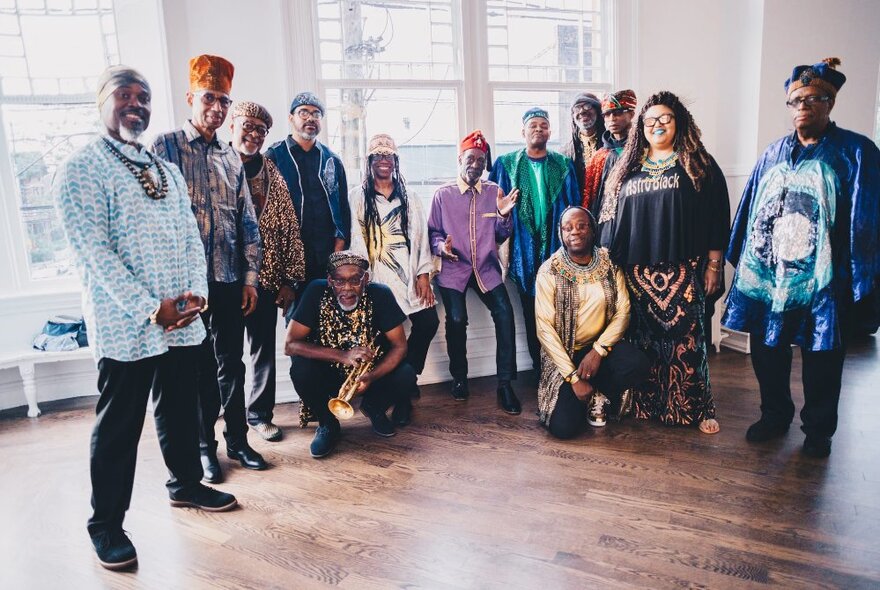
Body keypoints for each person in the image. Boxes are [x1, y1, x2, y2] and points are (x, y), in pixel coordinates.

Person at [55, 66, 237, 571]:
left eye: (144, 96)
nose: (136, 103)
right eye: (124, 95)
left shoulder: (164, 169)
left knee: (181, 410)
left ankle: (184, 484)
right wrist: (148, 308)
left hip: (182, 319)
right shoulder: (82, 168)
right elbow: (93, 252)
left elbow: (189, 237)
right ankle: (106, 525)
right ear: (102, 102)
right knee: (120, 425)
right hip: (127, 324)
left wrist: (196, 296)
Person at [723, 58, 880, 458]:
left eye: (813, 99)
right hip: (769, 274)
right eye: (795, 101)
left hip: (825, 279)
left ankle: (818, 430)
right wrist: (743, 262)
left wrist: (861, 278)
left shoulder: (856, 151)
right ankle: (775, 415)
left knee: (822, 355)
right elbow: (749, 209)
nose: (803, 107)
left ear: (830, 103)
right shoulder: (773, 151)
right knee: (766, 348)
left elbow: (867, 219)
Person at [153, 55, 265, 482]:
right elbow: (154, 216)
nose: (216, 108)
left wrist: (250, 278)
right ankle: (205, 449)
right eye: (209, 98)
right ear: (190, 98)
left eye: (223, 100)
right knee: (198, 370)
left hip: (228, 278)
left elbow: (247, 221)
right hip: (186, 284)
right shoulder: (164, 148)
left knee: (230, 363)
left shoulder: (230, 155)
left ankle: (239, 440)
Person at [600, 91, 730, 435]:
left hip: (683, 269)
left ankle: (696, 407)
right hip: (636, 272)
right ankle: (647, 404)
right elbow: (610, 220)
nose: (657, 125)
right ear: (640, 127)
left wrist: (714, 264)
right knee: (644, 342)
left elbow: (718, 215)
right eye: (650, 120)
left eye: (665, 119)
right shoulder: (625, 168)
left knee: (687, 342)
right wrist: (608, 269)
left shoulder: (697, 162)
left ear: (679, 123)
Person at [285, 251, 417, 458]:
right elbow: (290, 345)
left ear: (366, 279)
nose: (347, 288)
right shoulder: (315, 291)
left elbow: (400, 346)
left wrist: (371, 377)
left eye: (355, 280)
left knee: (407, 373)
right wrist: (342, 355)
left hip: (369, 375)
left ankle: (374, 407)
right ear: (330, 281)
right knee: (301, 370)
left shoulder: (380, 294)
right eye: (339, 281)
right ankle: (328, 424)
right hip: (329, 373)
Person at [428, 130, 521, 414]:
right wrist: (442, 247)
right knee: (456, 319)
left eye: (481, 161)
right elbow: (432, 234)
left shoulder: (494, 192)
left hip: (486, 269)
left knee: (505, 314)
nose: (476, 165)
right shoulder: (442, 195)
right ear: (460, 159)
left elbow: (503, 235)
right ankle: (459, 377)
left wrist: (504, 216)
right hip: (453, 270)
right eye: (471, 159)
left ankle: (505, 384)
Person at [536, 207, 650, 438]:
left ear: (592, 229)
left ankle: (599, 393)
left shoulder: (609, 264)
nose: (574, 232)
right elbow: (544, 328)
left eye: (581, 225)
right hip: (566, 355)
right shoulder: (549, 271)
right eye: (567, 228)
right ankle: (583, 394)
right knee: (563, 429)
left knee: (638, 363)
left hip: (601, 348)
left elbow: (623, 311)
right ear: (561, 234)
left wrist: (598, 351)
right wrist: (573, 378)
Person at [229, 101, 306, 442]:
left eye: (261, 130)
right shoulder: (217, 165)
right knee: (227, 355)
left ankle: (260, 415)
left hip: (264, 279)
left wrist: (290, 279)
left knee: (262, 350)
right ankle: (231, 420)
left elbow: (289, 225)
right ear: (233, 124)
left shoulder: (272, 172)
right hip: (225, 279)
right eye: (248, 126)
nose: (255, 134)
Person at [489, 108, 581, 374]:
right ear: (523, 132)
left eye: (543, 125)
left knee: (562, 312)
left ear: (550, 131)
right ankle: (540, 369)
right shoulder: (506, 164)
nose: (538, 129)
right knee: (532, 313)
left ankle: (562, 369)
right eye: (533, 125)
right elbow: (491, 208)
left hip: (557, 250)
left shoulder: (563, 165)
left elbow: (574, 207)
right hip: (523, 252)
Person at [349, 133, 439, 379]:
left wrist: (423, 275)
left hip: (408, 272)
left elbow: (420, 237)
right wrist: (361, 277)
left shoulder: (410, 197)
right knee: (385, 335)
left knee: (428, 322)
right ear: (370, 161)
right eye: (377, 156)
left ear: (396, 161)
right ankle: (394, 388)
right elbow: (356, 237)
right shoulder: (358, 196)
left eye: (388, 156)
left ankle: (409, 376)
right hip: (376, 274)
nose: (383, 160)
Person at [265, 91, 350, 300]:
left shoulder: (332, 160)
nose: (310, 118)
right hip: (288, 261)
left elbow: (342, 210)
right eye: (303, 112)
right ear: (291, 117)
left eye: (316, 114)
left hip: (325, 257)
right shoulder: (274, 156)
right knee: (297, 325)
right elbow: (265, 214)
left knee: (327, 322)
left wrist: (336, 258)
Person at [583, 89, 637, 215]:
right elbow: (589, 198)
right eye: (607, 114)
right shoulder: (598, 157)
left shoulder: (645, 151)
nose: (612, 119)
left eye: (618, 113)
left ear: (632, 114)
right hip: (607, 223)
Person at [562, 93, 605, 198]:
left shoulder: (610, 146)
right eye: (577, 108)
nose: (582, 111)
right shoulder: (565, 152)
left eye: (588, 106)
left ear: (598, 111)